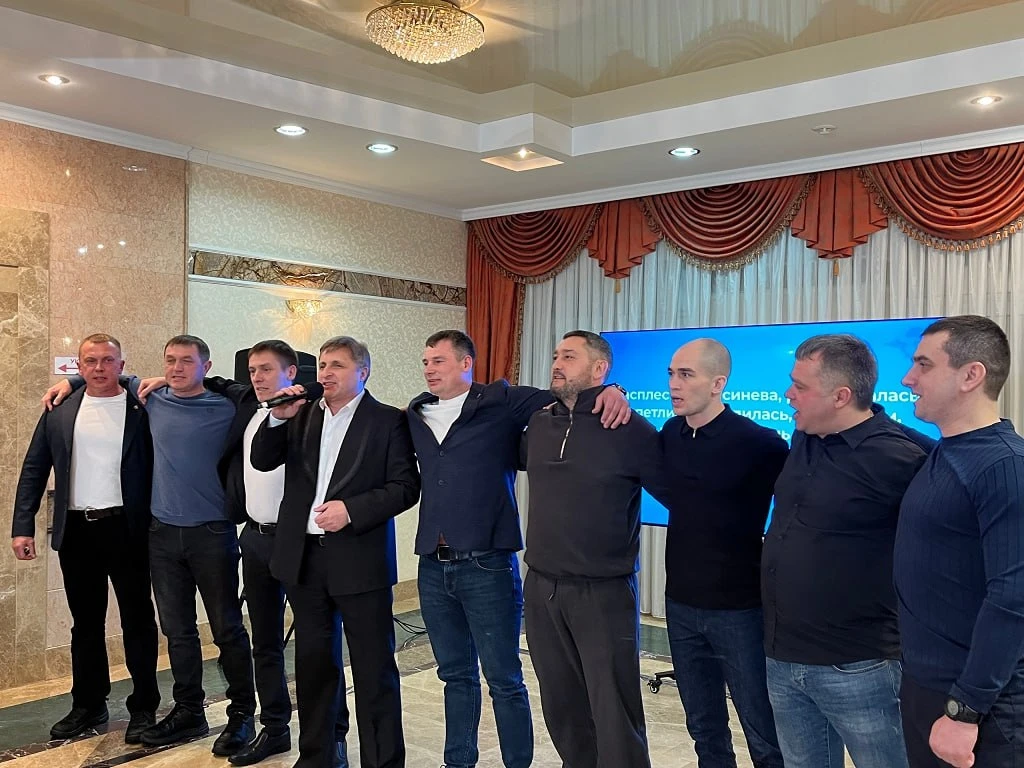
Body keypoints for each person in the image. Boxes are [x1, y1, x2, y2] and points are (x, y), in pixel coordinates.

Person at [407, 329, 630, 768]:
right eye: (426, 362)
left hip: (487, 564)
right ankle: (458, 761)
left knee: (504, 679)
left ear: (466, 363)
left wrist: (615, 389)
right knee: (455, 675)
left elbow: (568, 396)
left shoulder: (501, 401)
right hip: (432, 565)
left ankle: (517, 763)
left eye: (439, 361)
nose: (430, 370)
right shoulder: (417, 411)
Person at [45, 335, 257, 755]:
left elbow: (255, 393)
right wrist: (70, 381)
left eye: (187, 361)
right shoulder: (151, 399)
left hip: (211, 533)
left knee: (227, 628)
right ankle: (189, 710)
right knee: (177, 631)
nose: (177, 368)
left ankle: (241, 714)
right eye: (170, 360)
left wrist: (219, 383)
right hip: (161, 535)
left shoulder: (227, 406)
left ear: (206, 366)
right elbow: (106, 374)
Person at [250, 336, 420, 768]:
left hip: (360, 559)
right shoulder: (301, 412)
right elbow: (262, 460)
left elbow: (405, 487)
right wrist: (277, 418)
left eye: (337, 365)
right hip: (304, 560)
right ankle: (319, 757)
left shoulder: (387, 420)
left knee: (373, 670)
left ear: (362, 372)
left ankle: (383, 762)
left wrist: (352, 510)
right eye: (323, 364)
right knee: (313, 667)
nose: (326, 373)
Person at [762, 333, 929, 768]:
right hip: (783, 657)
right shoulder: (806, 436)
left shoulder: (898, 456)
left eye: (800, 386)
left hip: (859, 666)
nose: (788, 394)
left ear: (841, 396)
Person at [522, 330, 670, 768]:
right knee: (561, 705)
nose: (557, 363)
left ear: (599, 369)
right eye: (555, 355)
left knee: (613, 709)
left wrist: (618, 392)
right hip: (542, 587)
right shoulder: (538, 423)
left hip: (602, 592)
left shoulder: (628, 428)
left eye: (569, 356)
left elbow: (678, 495)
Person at [205, 340, 351, 767]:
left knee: (318, 645)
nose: (257, 377)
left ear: (291, 373)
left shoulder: (312, 414)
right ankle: (275, 728)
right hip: (254, 539)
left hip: (302, 543)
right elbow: (216, 381)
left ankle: (332, 735)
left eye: (267, 369)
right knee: (264, 642)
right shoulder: (248, 404)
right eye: (253, 370)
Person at [13, 333, 160, 743]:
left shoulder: (141, 406)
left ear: (121, 364)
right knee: (86, 623)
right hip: (77, 530)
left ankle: (144, 706)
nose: (99, 368)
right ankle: (88, 703)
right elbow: (34, 467)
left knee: (137, 620)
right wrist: (22, 525)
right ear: (78, 366)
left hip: (127, 528)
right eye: (90, 361)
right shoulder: (60, 408)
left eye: (108, 360)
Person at [896, 315, 1024, 768]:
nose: (908, 378)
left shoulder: (1007, 466)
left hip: (979, 707)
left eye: (924, 365)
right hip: (925, 686)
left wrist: (965, 709)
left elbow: (1012, 598)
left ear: (971, 375)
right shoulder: (948, 451)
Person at [660, 339, 788, 768]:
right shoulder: (670, 434)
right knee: (703, 727)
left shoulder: (759, 443)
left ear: (718, 384)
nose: (674, 384)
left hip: (740, 610)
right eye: (671, 374)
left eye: (686, 375)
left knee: (762, 729)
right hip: (680, 603)